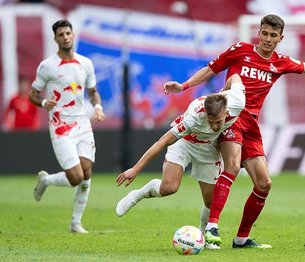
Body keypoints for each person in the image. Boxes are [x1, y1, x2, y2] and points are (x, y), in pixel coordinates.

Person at [164, 14, 305, 249]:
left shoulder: (280, 62)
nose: (267, 39)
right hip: (231, 120)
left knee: (264, 183)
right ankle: (211, 227)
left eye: (273, 35)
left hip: (251, 127)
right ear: (259, 33)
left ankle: (241, 239)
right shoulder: (240, 50)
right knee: (232, 165)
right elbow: (210, 69)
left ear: (281, 38)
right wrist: (184, 86)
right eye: (264, 33)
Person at [115, 74, 245, 249]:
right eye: (211, 121)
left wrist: (222, 91)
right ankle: (138, 194)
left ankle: (203, 236)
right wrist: (135, 169)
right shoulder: (192, 118)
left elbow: (235, 76)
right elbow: (161, 142)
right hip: (185, 144)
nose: (215, 126)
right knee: (169, 188)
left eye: (219, 122)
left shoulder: (237, 100)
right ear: (205, 113)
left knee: (211, 201)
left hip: (208, 149)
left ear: (226, 111)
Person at [28, 19, 105, 233]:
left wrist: (97, 106)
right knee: (75, 177)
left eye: (68, 33)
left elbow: (92, 91)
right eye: (61, 34)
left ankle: (75, 223)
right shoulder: (47, 66)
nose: (65, 37)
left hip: (82, 123)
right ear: (55, 39)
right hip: (61, 126)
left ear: (73, 35)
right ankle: (47, 181)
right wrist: (44, 103)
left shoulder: (85, 63)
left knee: (87, 173)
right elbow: (33, 94)